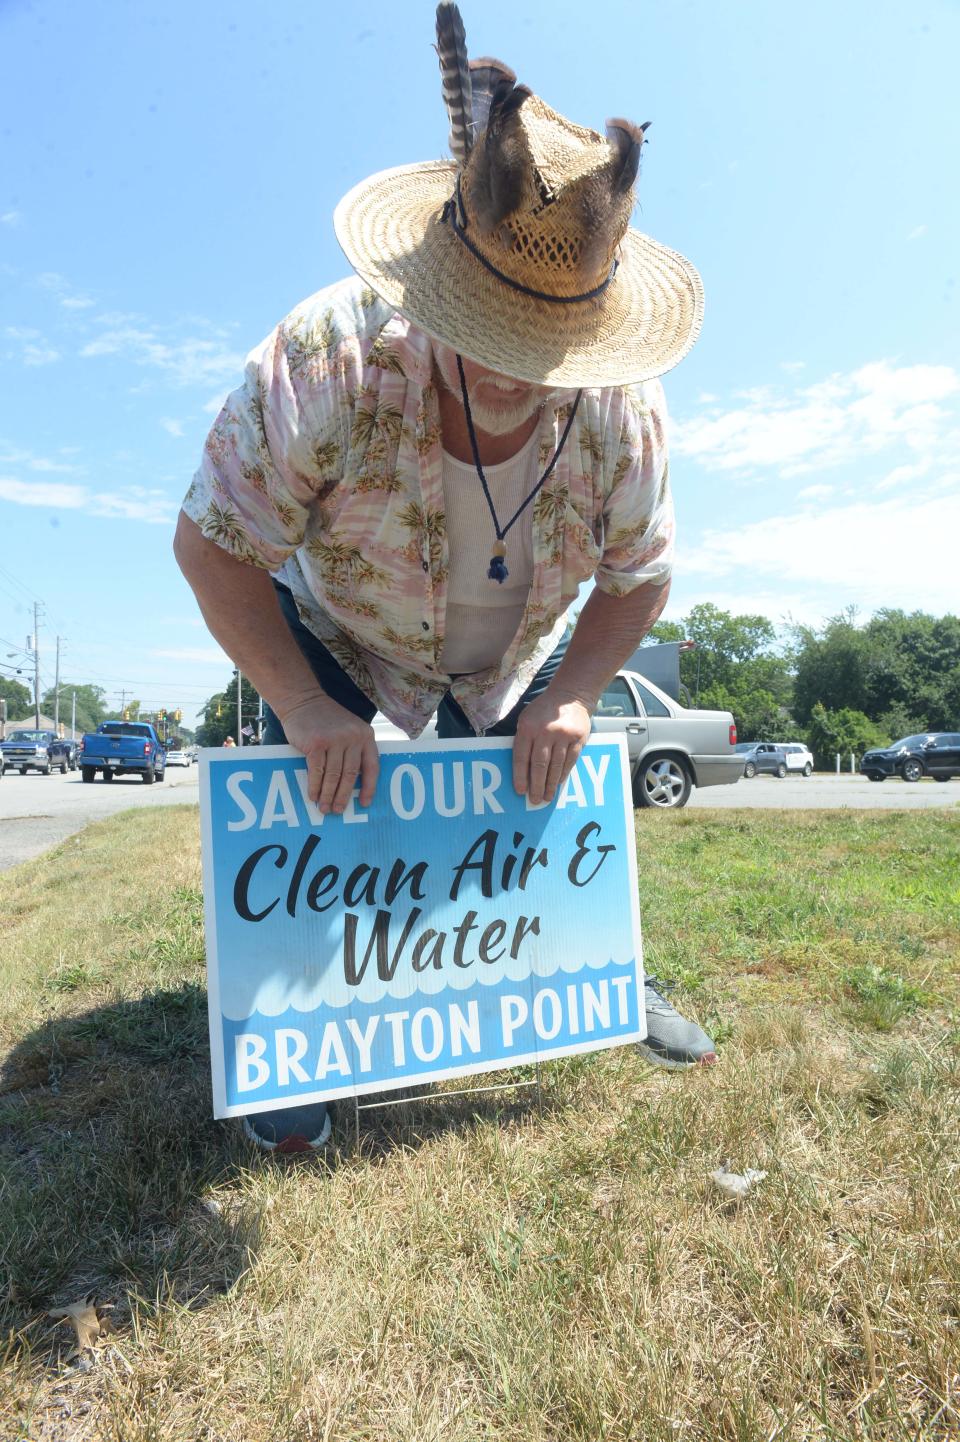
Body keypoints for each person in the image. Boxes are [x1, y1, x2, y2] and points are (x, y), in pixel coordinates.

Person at [175, 6, 714, 1154]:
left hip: (518, 646)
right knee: (318, 825)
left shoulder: (624, 407)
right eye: (496, 335)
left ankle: (601, 979)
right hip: (342, 633)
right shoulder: (329, 352)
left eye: (550, 344)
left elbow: (642, 574)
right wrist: (308, 703)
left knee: (541, 830)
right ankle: (291, 1033)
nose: (524, 373)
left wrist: (572, 695)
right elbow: (214, 539)